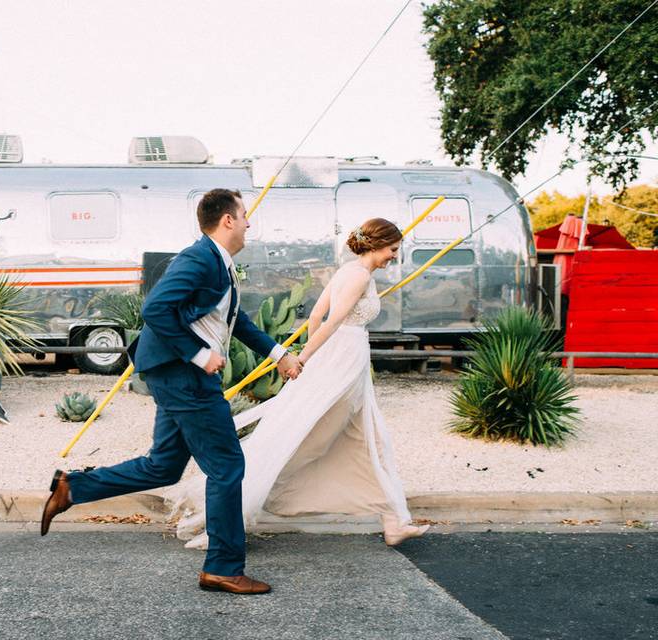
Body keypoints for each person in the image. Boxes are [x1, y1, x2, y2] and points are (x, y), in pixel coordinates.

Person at [40, 188, 303, 595]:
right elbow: (155, 309)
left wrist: (278, 354)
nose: (250, 223)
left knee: (163, 466)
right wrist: (199, 355)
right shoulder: (199, 258)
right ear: (227, 220)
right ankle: (223, 568)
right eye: (245, 215)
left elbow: (238, 320)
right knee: (226, 465)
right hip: (185, 376)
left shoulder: (218, 261)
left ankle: (74, 488)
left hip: (175, 374)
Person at [169, 217, 429, 549]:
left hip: (345, 358)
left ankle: (394, 519)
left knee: (370, 435)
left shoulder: (348, 271)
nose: (395, 255)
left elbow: (316, 316)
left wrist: (316, 356)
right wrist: (305, 359)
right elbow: (331, 322)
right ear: (378, 245)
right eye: (393, 249)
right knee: (305, 436)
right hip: (345, 359)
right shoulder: (359, 275)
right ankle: (236, 505)